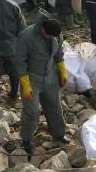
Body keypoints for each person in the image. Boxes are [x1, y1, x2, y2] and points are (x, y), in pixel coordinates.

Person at [17, 13, 70, 152]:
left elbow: (59, 53)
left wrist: (62, 69)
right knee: (32, 111)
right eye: (49, 36)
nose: (52, 38)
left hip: (50, 75)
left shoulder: (56, 33)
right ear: (42, 29)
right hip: (32, 78)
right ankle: (27, 139)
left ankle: (59, 134)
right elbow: (19, 61)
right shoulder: (26, 36)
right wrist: (24, 81)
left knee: (55, 106)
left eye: (54, 37)